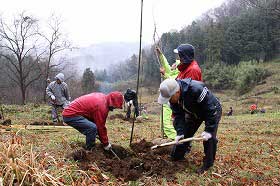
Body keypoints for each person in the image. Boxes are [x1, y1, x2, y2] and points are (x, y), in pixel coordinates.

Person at [158, 78, 222, 174]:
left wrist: (209, 130)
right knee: (185, 134)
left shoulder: (196, 89)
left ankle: (208, 164)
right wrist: (180, 132)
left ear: (177, 92)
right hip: (193, 113)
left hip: (212, 110)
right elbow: (178, 116)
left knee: (209, 138)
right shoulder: (173, 100)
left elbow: (211, 109)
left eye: (170, 98)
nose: (169, 101)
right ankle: (177, 157)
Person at [155, 44, 203, 141]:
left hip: (182, 102)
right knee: (174, 122)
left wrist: (165, 75)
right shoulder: (183, 68)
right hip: (175, 99)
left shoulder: (191, 70)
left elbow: (179, 85)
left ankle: (177, 141)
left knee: (172, 123)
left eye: (179, 57)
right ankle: (179, 141)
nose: (173, 64)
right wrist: (160, 55)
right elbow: (167, 66)